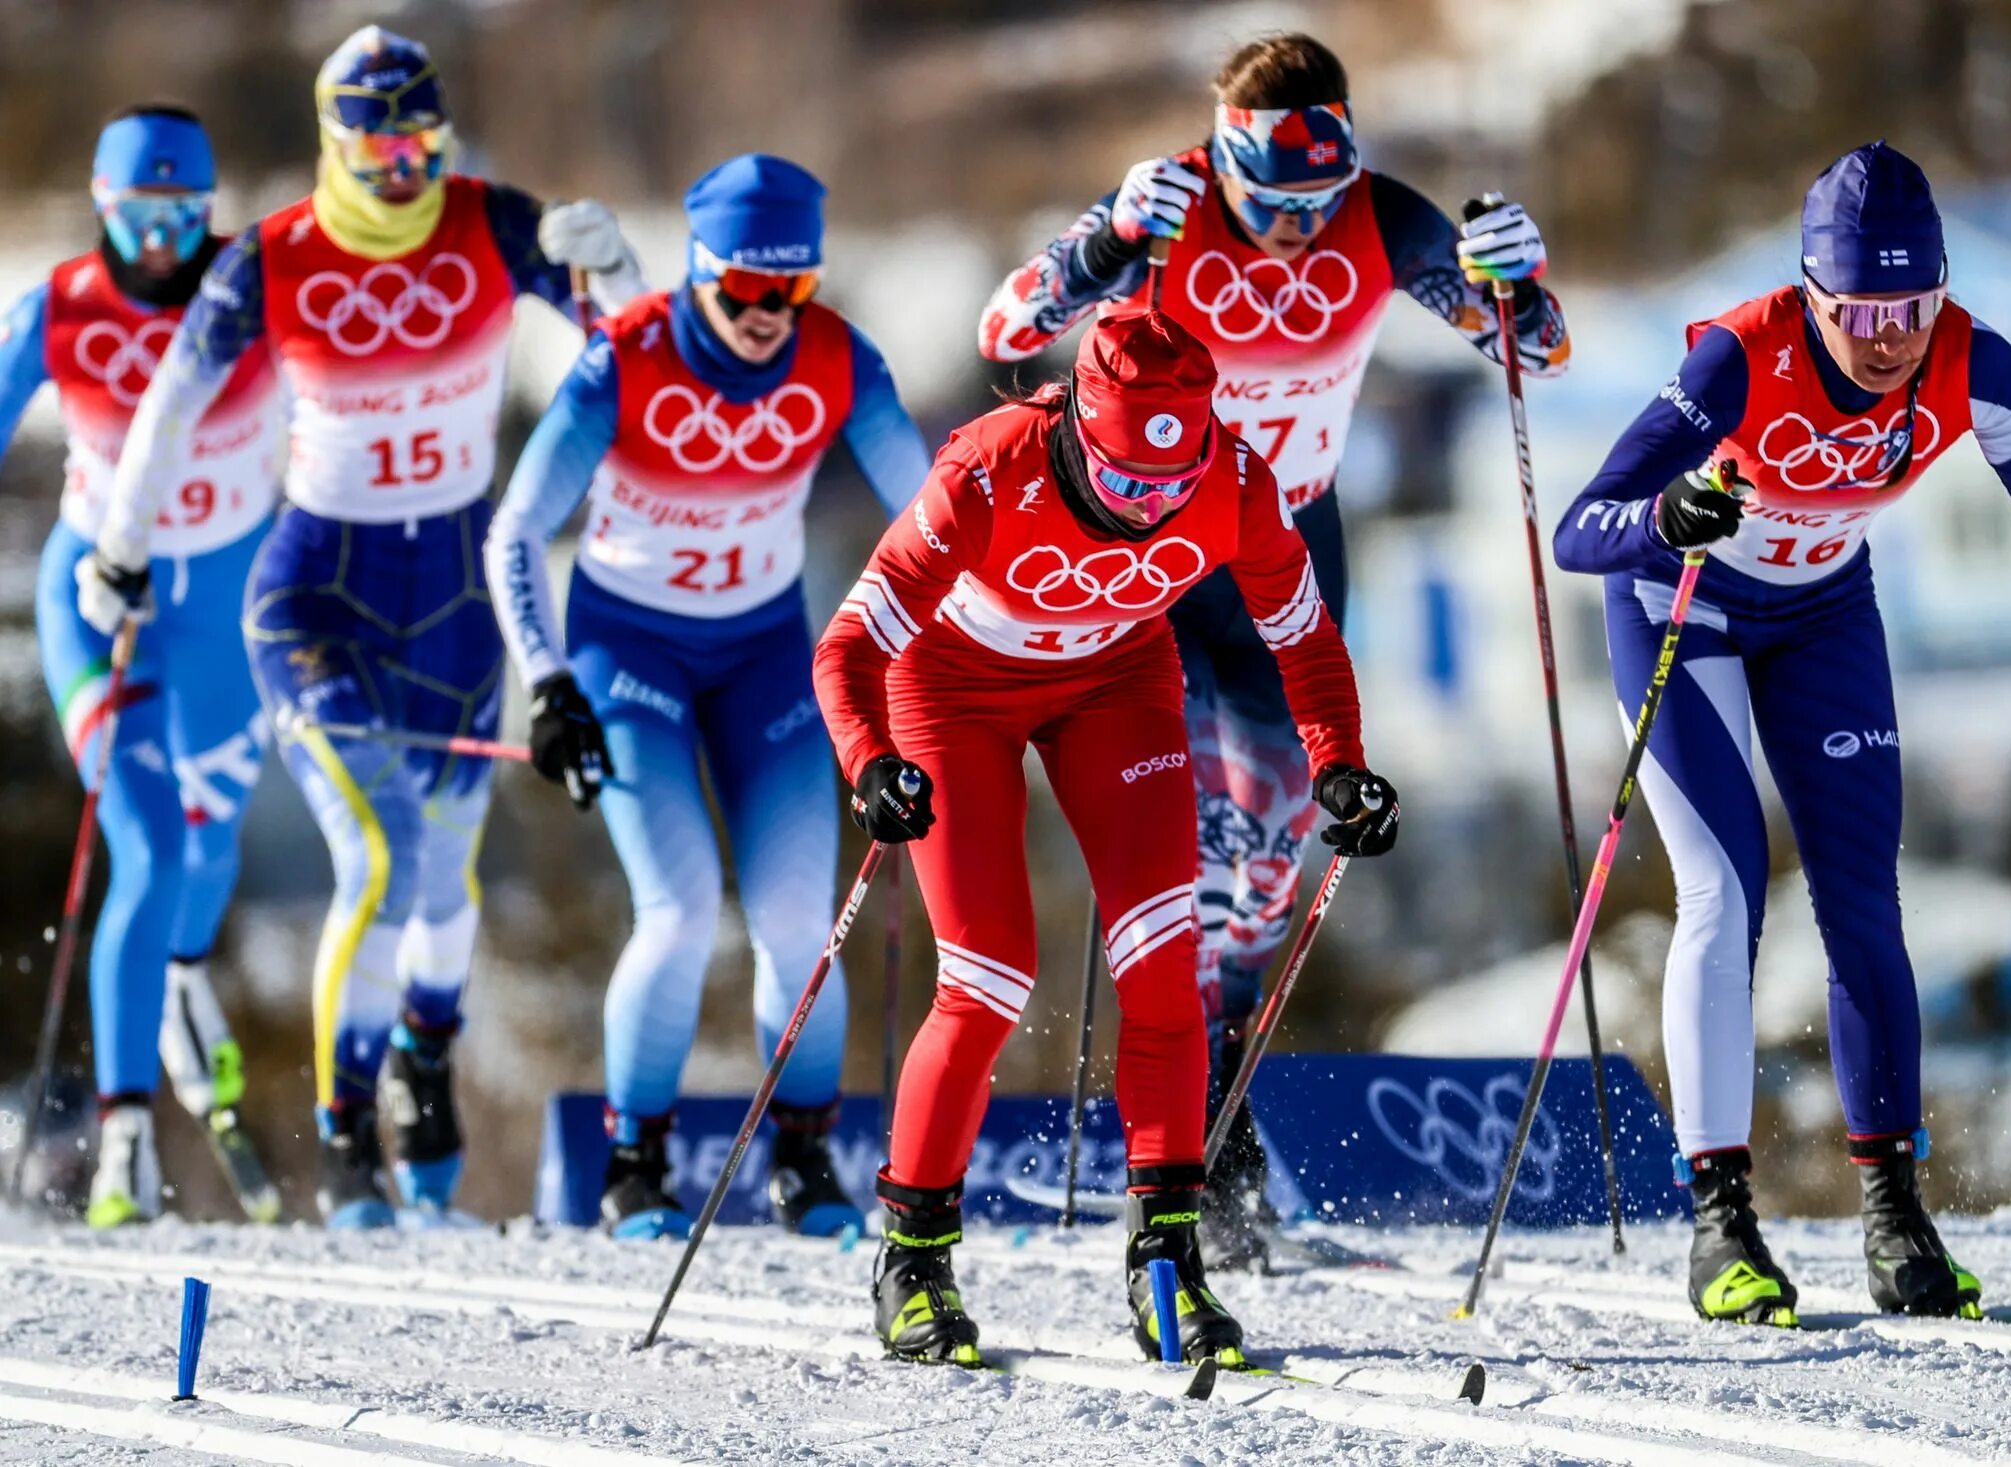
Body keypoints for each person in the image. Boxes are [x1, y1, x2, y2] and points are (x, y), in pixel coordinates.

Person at [1554, 141, 2011, 1324]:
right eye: (1861, 310)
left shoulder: (1972, 360)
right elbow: (1581, 528)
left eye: (1912, 305)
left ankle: (1894, 1219)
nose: (1889, 337)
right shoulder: (1738, 357)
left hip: (1824, 614)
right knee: (1724, 896)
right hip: (1677, 607)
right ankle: (1721, 1221)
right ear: (1811, 291)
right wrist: (1666, 513)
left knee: (1861, 900)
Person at [976, 31, 1564, 1265]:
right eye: (1272, 205)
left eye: (1318, 202)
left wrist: (1519, 282)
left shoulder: (1375, 215)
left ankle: (1224, 1095)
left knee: (1268, 864)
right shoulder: (1171, 205)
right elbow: (1005, 328)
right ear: (1225, 160)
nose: (1298, 230)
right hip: (1151, 567)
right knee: (1175, 851)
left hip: (1286, 552)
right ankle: (1174, 1140)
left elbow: (1533, 351)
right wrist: (1103, 247)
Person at [82, 26, 647, 1229]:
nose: (403, 173)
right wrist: (119, 550)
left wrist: (623, 270)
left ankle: (424, 1055)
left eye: (422, 146)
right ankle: (346, 1145)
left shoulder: (492, 221)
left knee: (446, 889)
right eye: (378, 148)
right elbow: (169, 406)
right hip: (315, 600)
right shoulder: (275, 256)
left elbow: (636, 354)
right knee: (380, 856)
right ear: (337, 144)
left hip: (455, 599)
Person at [814, 309, 1400, 1366]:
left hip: (1116, 683)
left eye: (1167, 491)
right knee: (990, 973)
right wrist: (870, 764)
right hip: (954, 692)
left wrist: (1339, 764)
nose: (1147, 510)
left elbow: (1304, 638)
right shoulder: (986, 472)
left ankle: (1167, 1259)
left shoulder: (1233, 480)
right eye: (1127, 482)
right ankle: (913, 1261)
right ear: (1081, 428)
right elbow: (849, 645)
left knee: (1166, 968)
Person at [487, 155, 929, 1241]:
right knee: (680, 911)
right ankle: (635, 1162)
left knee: (795, 921)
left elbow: (932, 518)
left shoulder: (837, 359)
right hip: (627, 656)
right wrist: (547, 686)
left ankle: (805, 1156)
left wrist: (953, 651)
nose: (770, 316)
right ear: (700, 274)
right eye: (746, 290)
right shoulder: (623, 361)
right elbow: (513, 533)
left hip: (764, 652)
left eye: (794, 290)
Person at [0, 106, 279, 1227]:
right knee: (148, 843)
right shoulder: (60, 308)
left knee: (209, 848)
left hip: (230, 620)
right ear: (103, 208)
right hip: (99, 606)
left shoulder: (261, 297)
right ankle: (120, 1135)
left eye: (183, 213)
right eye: (136, 213)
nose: (160, 238)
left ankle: (178, 985)